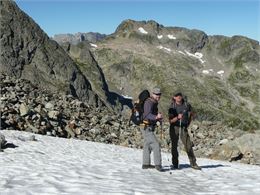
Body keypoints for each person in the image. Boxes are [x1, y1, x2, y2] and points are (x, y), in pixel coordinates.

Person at [168, 92, 201, 170]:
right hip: (174, 127)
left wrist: (188, 123)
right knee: (174, 146)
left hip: (183, 128)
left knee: (188, 145)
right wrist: (177, 118)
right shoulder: (172, 107)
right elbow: (170, 121)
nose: (179, 97)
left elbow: (192, 114)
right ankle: (175, 163)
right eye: (177, 96)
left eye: (180, 95)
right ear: (174, 97)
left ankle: (193, 163)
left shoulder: (187, 105)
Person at [141, 87, 163, 172]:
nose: (158, 96)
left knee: (147, 145)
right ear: (152, 94)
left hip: (148, 126)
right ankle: (158, 165)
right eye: (156, 94)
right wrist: (156, 117)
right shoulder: (148, 102)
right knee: (155, 144)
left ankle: (145, 164)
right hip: (145, 126)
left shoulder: (154, 102)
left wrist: (158, 118)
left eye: (159, 94)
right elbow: (146, 115)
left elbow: (151, 115)